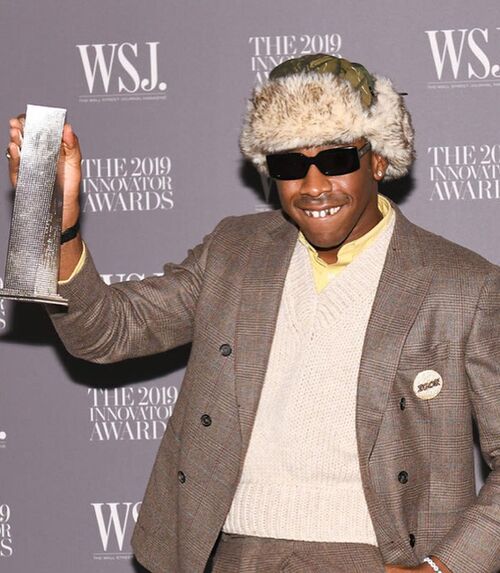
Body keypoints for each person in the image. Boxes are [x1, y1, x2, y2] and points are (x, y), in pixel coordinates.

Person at [7, 54, 500, 573]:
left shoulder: (463, 285)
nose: (314, 186)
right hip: (233, 555)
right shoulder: (234, 250)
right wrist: (50, 219)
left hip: (380, 558)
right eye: (290, 164)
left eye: (336, 159)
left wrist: (445, 568)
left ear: (378, 161)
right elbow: (106, 333)